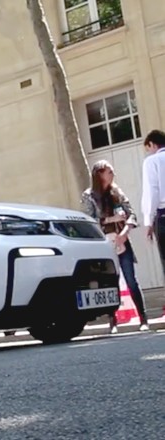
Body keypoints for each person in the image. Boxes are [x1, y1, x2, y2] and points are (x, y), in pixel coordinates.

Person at [81, 160, 149, 333]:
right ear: (100, 174)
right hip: (104, 245)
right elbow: (89, 221)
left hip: (121, 241)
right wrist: (111, 220)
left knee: (131, 280)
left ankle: (143, 319)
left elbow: (131, 214)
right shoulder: (88, 196)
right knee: (110, 283)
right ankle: (113, 321)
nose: (113, 174)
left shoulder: (116, 191)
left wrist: (125, 232)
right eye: (109, 171)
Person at [141, 129, 165, 271]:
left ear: (152, 144)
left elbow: (152, 191)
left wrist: (148, 221)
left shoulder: (152, 161)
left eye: (148, 148)